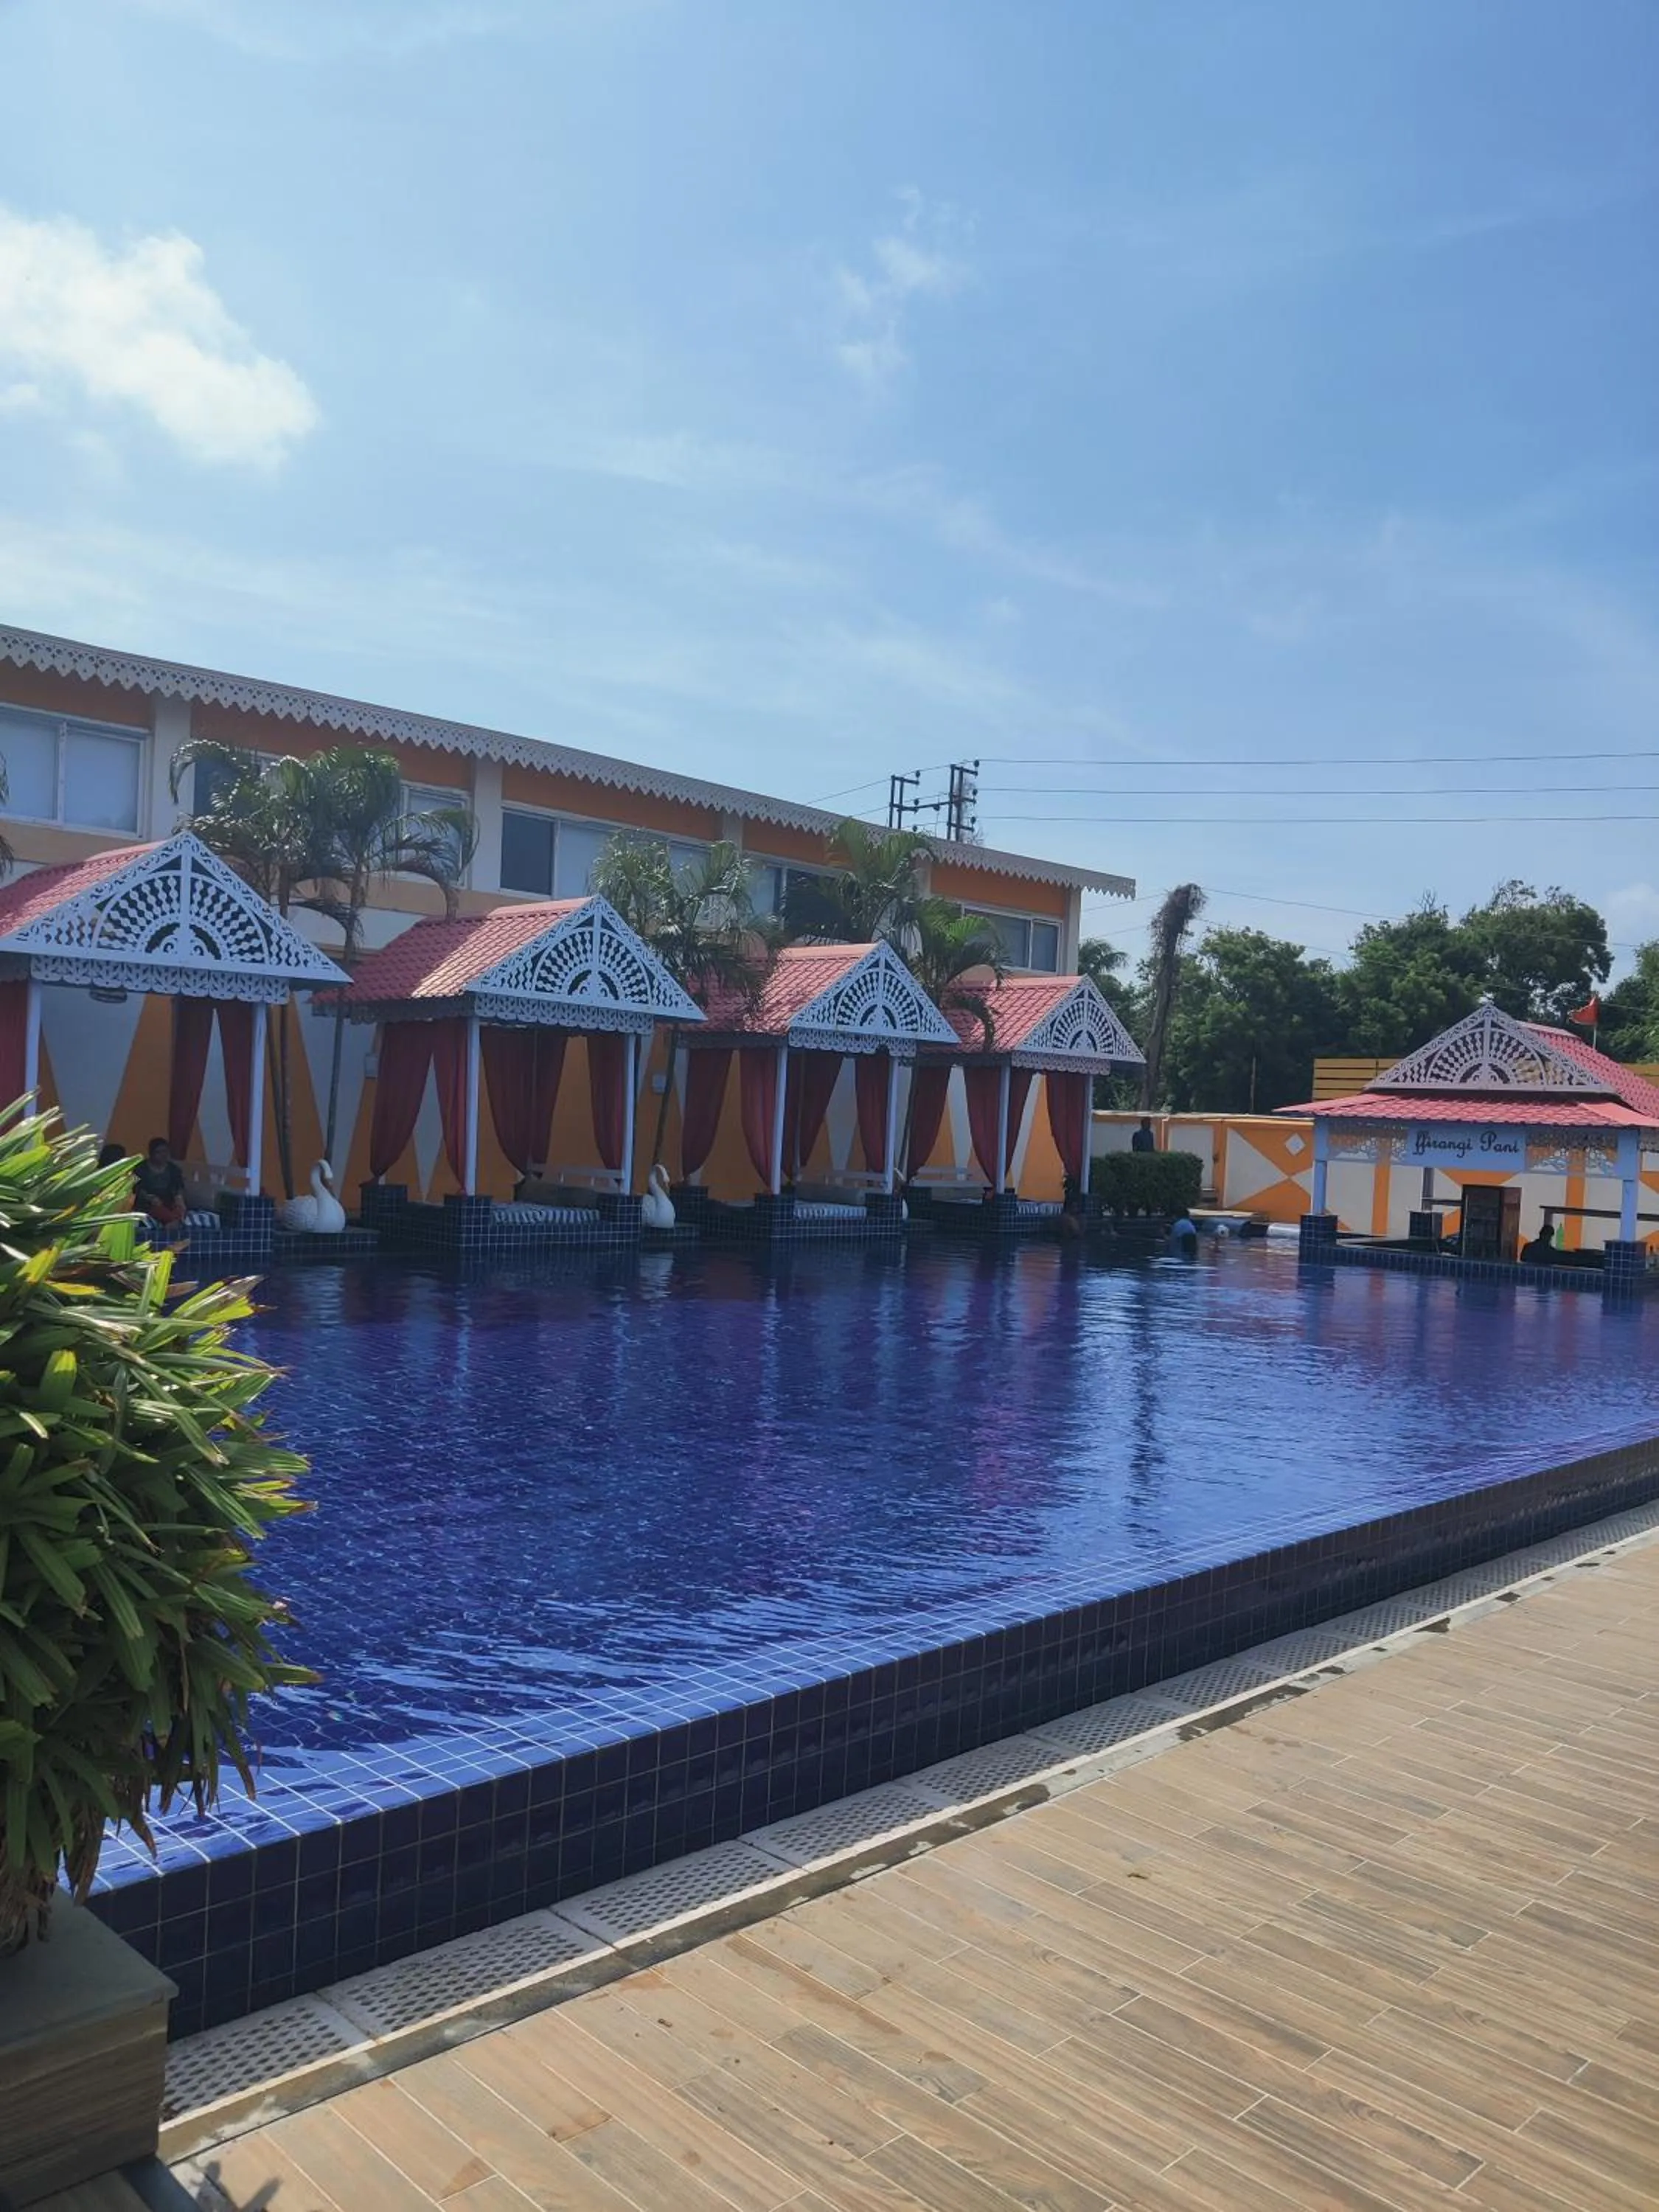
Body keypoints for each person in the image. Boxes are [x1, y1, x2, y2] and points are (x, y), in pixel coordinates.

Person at [133, 1137, 188, 1237]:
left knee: (179, 1208)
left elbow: (178, 1188)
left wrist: (180, 1200)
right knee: (156, 1209)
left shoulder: (173, 1169)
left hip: (168, 1201)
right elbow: (136, 1189)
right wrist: (149, 1197)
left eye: (166, 1152)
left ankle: (174, 1222)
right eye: (159, 1152)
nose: (163, 1155)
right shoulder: (141, 1168)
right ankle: (172, 1222)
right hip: (148, 1203)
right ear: (151, 1153)